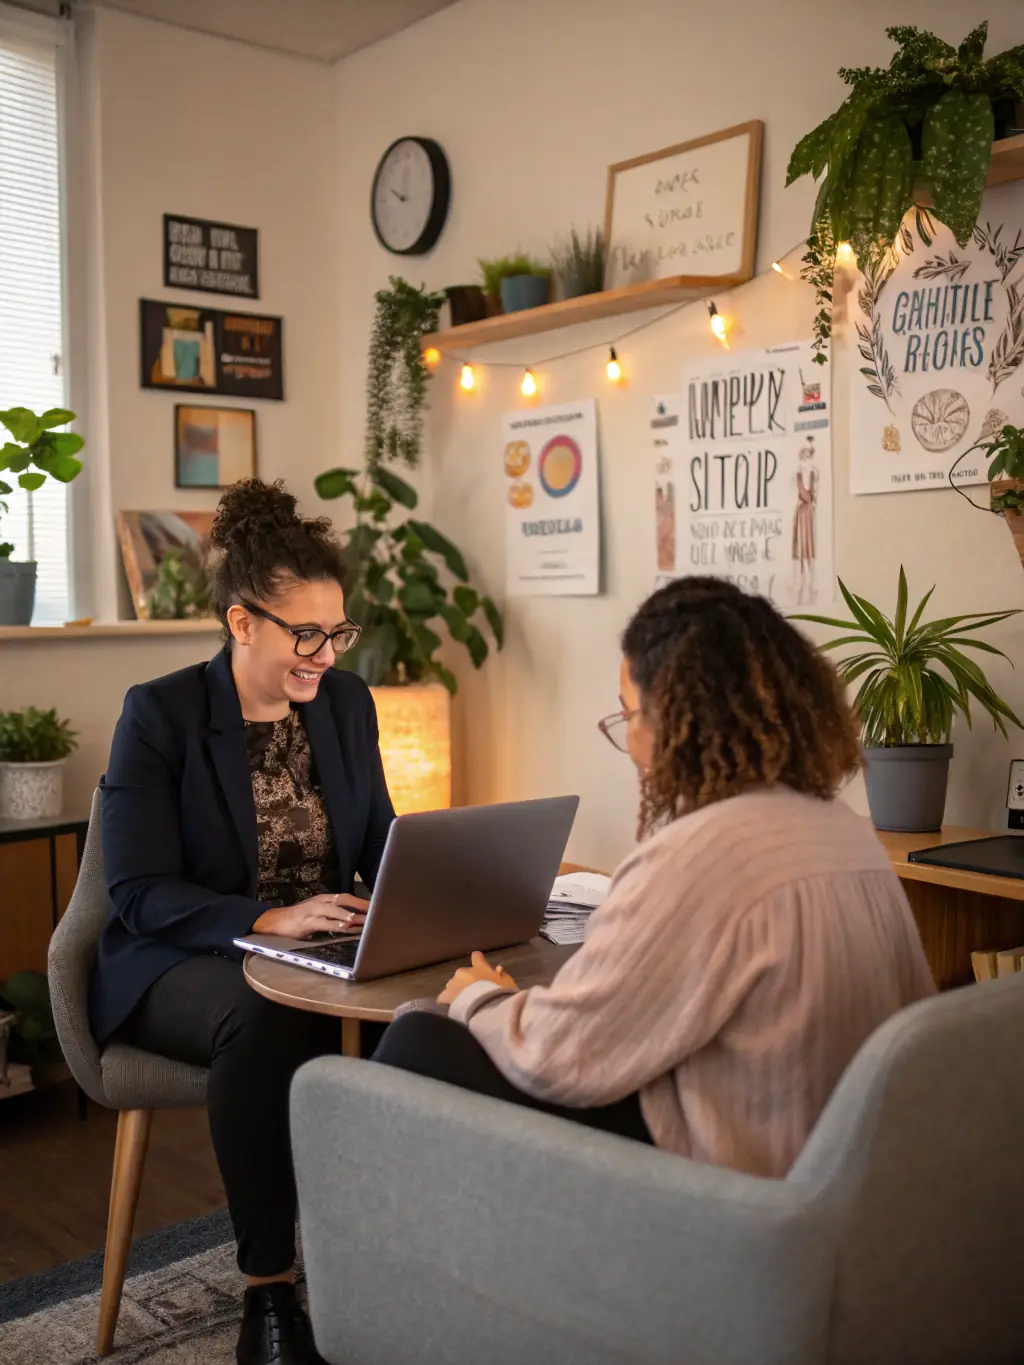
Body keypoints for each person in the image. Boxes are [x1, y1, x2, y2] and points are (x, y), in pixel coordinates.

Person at [374, 577, 935, 1176]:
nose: (631, 740)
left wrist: (480, 998)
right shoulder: (845, 828)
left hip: (740, 1189)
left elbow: (562, 1055)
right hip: (852, 1172)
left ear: (679, 721)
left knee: (420, 1037)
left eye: (627, 714)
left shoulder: (700, 854)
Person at [90, 479, 395, 1365]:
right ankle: (269, 1291)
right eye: (306, 634)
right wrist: (273, 915)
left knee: (436, 999)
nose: (325, 655)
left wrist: (412, 892)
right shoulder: (162, 714)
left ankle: (382, 1253)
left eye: (337, 632)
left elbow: (378, 839)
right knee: (268, 1014)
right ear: (241, 622)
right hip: (180, 956)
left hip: (315, 946)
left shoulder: (344, 705)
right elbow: (139, 891)